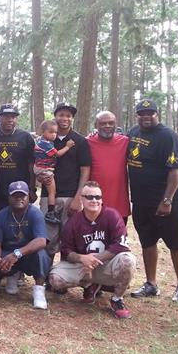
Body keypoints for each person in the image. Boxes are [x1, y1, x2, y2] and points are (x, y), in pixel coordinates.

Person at [127, 99, 178, 303]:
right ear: (137, 115)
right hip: (142, 200)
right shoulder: (134, 132)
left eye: (150, 113)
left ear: (157, 114)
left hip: (166, 201)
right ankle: (151, 283)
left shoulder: (168, 136)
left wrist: (167, 200)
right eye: (142, 113)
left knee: (175, 242)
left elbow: (176, 170)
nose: (146, 116)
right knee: (147, 241)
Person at [49, 181, 136, 319]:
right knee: (55, 280)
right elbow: (66, 250)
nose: (94, 200)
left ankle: (117, 299)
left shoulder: (112, 216)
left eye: (98, 197)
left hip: (106, 263)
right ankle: (89, 285)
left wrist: (95, 259)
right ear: (81, 199)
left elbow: (121, 245)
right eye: (89, 197)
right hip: (83, 265)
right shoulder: (74, 222)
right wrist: (82, 258)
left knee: (128, 260)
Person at [0, 181, 50, 309]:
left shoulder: (35, 213)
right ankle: (12, 275)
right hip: (8, 254)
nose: (19, 199)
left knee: (42, 255)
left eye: (22, 196)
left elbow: (41, 240)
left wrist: (17, 254)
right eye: (15, 196)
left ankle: (38, 290)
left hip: (27, 254)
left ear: (28, 197)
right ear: (9, 197)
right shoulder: (1, 215)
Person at [39, 103, 91, 260]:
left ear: (72, 118)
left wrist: (78, 198)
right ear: (55, 116)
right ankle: (45, 277)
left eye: (68, 115)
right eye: (61, 114)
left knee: (69, 239)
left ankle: (62, 278)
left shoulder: (80, 141)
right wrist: (37, 177)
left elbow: (85, 170)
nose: (65, 118)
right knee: (47, 238)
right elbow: (35, 162)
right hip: (48, 196)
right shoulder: (45, 139)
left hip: (70, 196)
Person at [0, 104, 37, 219]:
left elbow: (32, 165)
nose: (10, 120)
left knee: (19, 223)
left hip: (20, 191)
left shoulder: (26, 137)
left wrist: (32, 189)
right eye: (6, 116)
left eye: (13, 117)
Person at [86, 111, 130, 223]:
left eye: (111, 123)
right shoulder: (87, 142)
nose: (107, 126)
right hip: (94, 202)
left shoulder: (125, 142)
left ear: (116, 124)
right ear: (96, 125)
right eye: (103, 123)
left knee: (118, 238)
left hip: (119, 202)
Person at [34, 119, 76, 224]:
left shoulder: (41, 140)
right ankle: (50, 213)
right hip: (45, 170)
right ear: (43, 131)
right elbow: (58, 154)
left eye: (56, 132)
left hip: (41, 168)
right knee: (52, 192)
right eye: (51, 132)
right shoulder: (45, 144)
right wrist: (68, 146)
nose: (54, 135)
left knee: (50, 191)